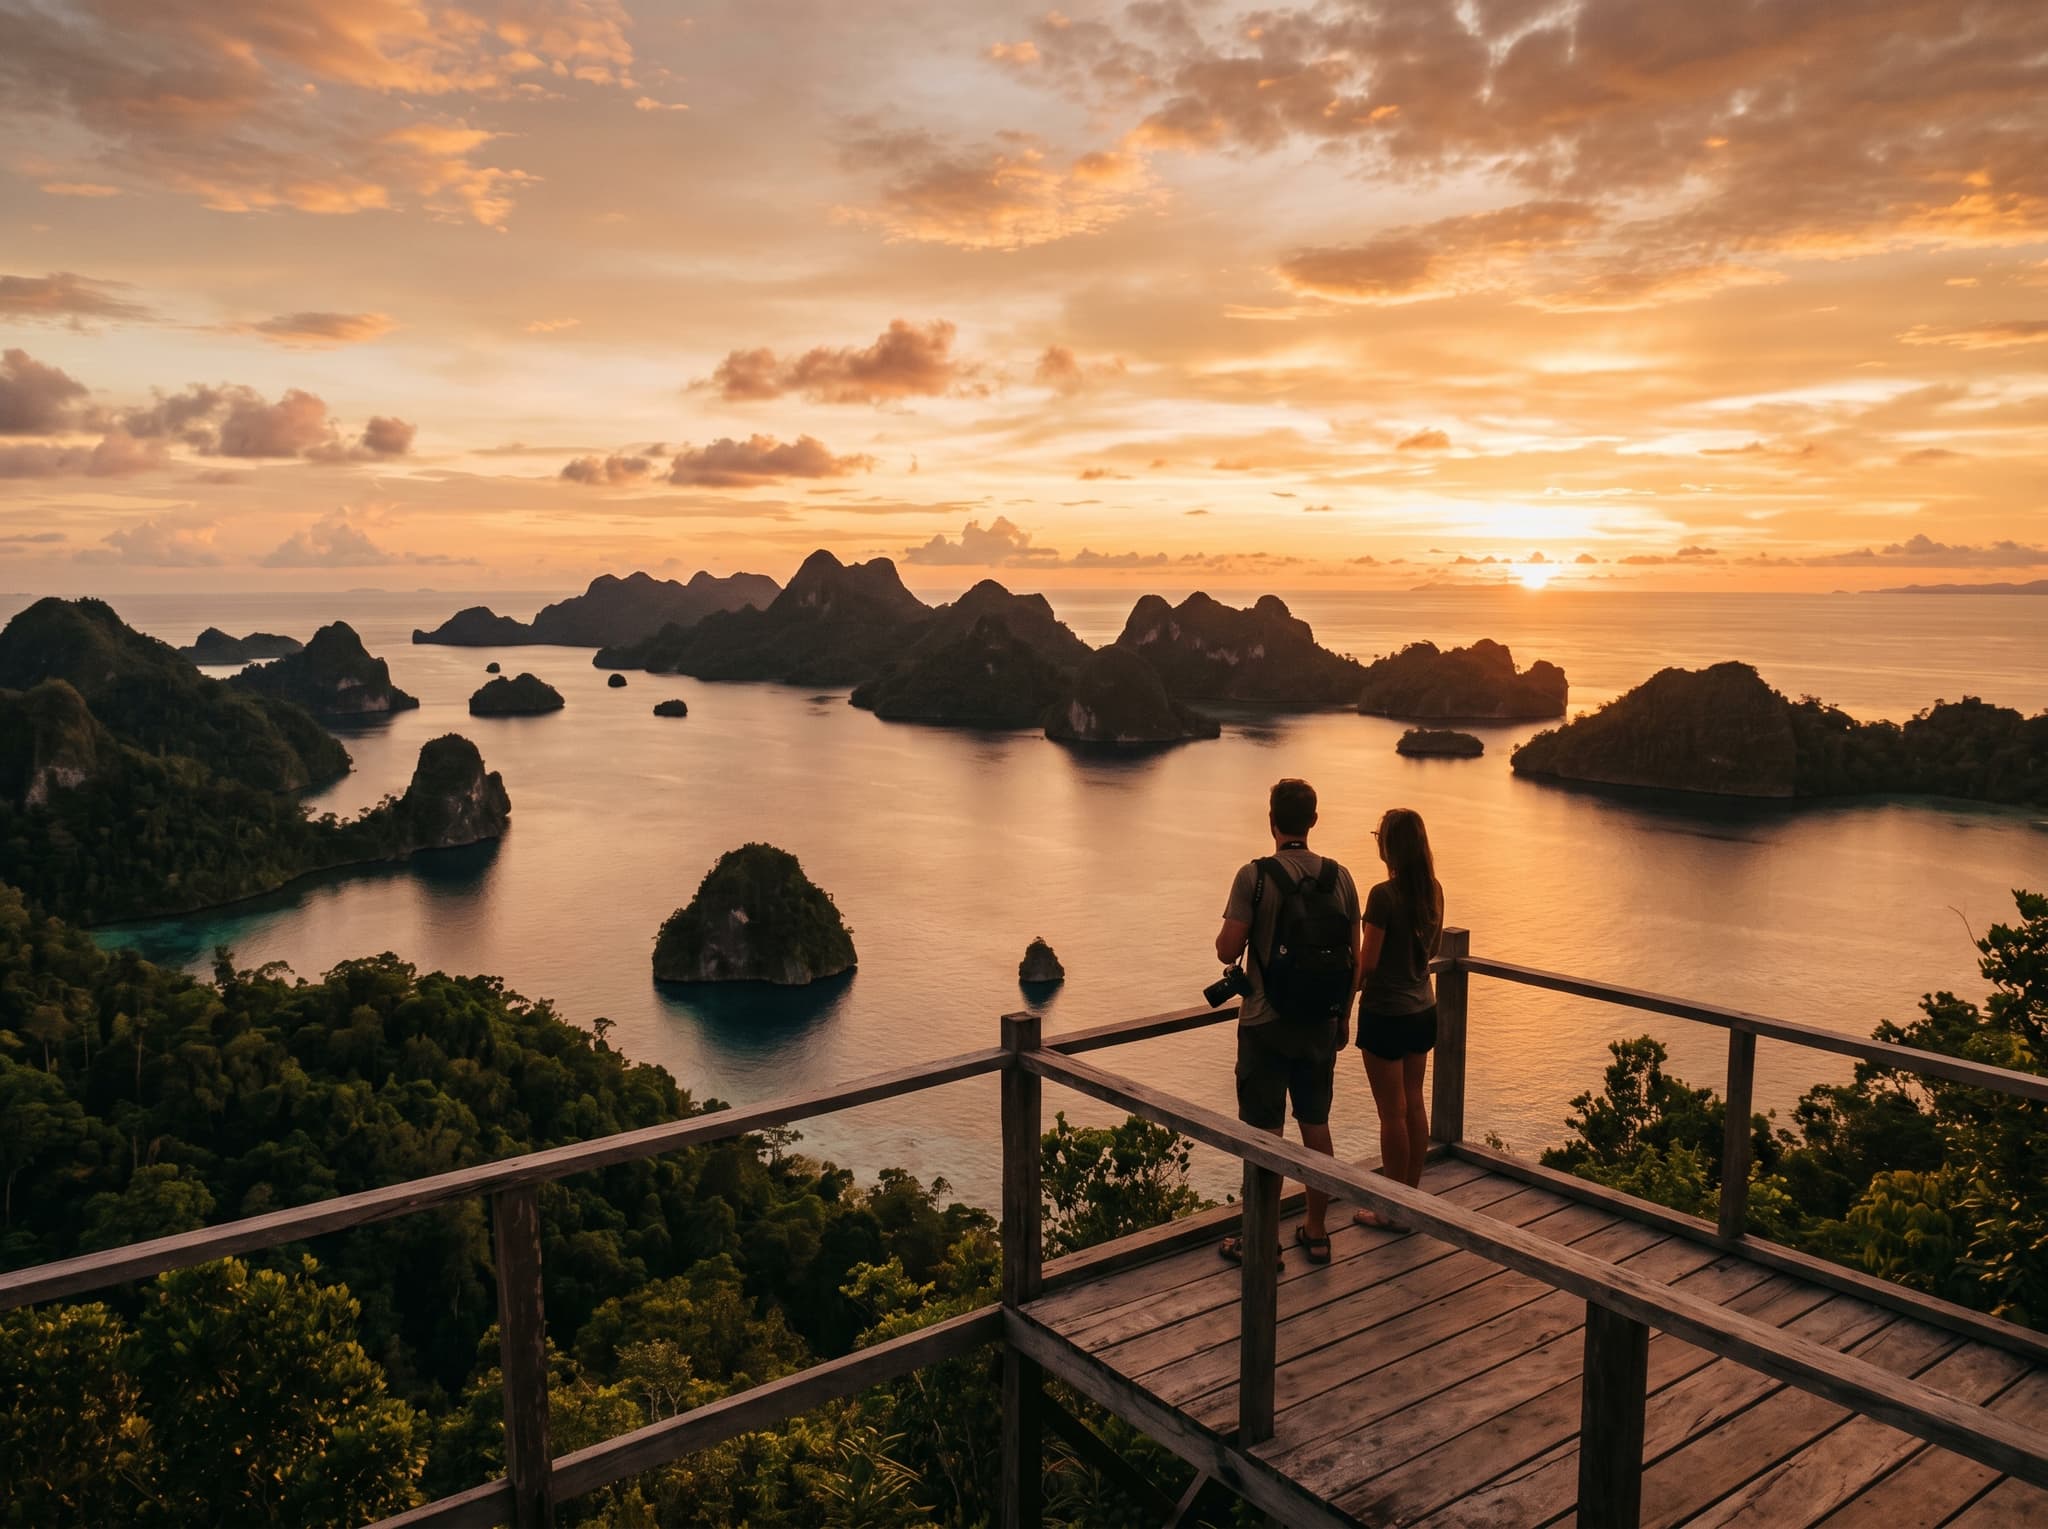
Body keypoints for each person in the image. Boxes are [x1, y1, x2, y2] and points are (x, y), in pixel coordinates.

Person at [1214, 778, 1361, 1267]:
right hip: (1321, 1022)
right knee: (1316, 1127)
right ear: (1313, 820)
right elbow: (1355, 958)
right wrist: (1343, 1016)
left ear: (1271, 820)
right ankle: (1317, 1232)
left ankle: (1261, 1241)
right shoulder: (1341, 877)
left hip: (1265, 1023)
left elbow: (1227, 950)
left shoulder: (1254, 877)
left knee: (1264, 1136)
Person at [1352, 806, 1444, 1231]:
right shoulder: (1434, 890)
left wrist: (1342, 990)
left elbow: (1367, 963)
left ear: (1390, 845)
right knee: (1414, 1102)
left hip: (1386, 1013)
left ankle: (1391, 1210)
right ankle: (1411, 1201)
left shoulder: (1383, 896)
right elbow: (1433, 949)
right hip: (1422, 1008)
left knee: (1391, 1113)